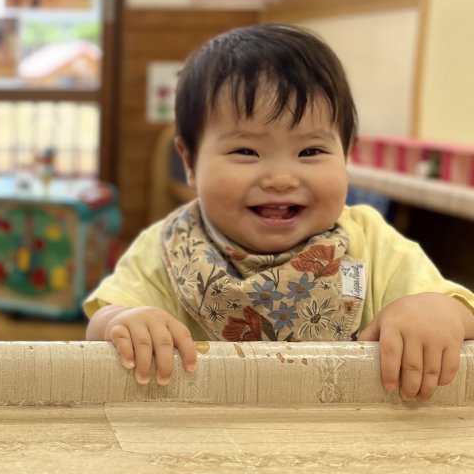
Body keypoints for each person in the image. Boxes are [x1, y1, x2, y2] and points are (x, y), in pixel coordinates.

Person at [85, 23, 474, 402]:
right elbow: (106, 318)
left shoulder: (369, 242)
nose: (281, 179)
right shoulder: (166, 248)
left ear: (347, 154)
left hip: (345, 443)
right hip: (207, 441)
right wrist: (124, 322)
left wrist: (436, 312)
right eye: (246, 152)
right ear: (189, 161)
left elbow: (458, 311)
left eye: (311, 152)